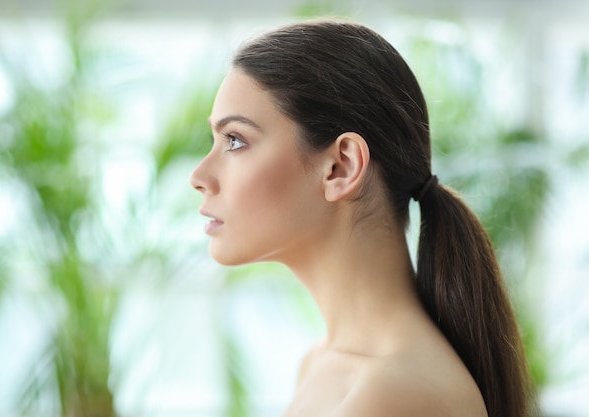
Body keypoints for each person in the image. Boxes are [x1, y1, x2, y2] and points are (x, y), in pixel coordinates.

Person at [190, 19, 538, 417]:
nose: (199, 177)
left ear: (341, 166)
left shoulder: (395, 396)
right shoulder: (323, 367)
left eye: (235, 140)